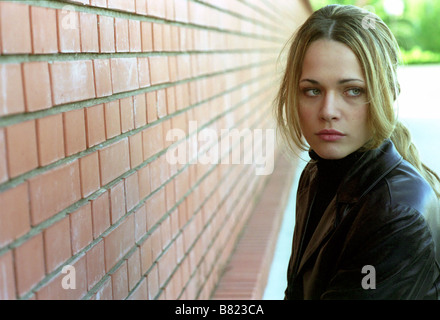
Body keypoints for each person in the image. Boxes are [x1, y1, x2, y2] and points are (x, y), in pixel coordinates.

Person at [274, 4, 440, 299]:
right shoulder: (316, 172)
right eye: (312, 90)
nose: (328, 111)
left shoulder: (395, 214)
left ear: (386, 94)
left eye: (353, 91)